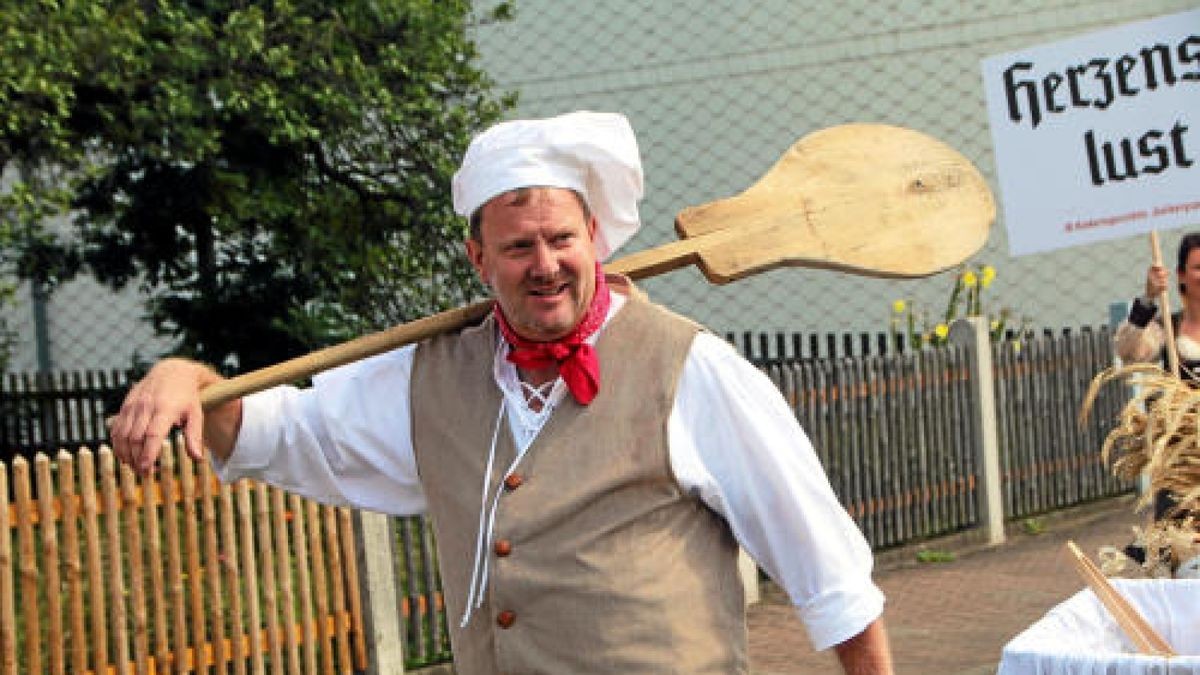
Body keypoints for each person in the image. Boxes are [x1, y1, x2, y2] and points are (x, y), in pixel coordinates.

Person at [110, 111, 893, 674]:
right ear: (479, 257)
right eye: (519, 246)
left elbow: (828, 572)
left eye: (562, 239)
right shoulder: (429, 374)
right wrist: (192, 380)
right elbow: (282, 433)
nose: (545, 263)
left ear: (596, 238)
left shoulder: (691, 369)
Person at [1114, 233, 1200, 528]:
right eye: (1198, 267)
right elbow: (1129, 352)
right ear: (1180, 275)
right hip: (1181, 469)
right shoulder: (1167, 327)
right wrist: (1148, 298)